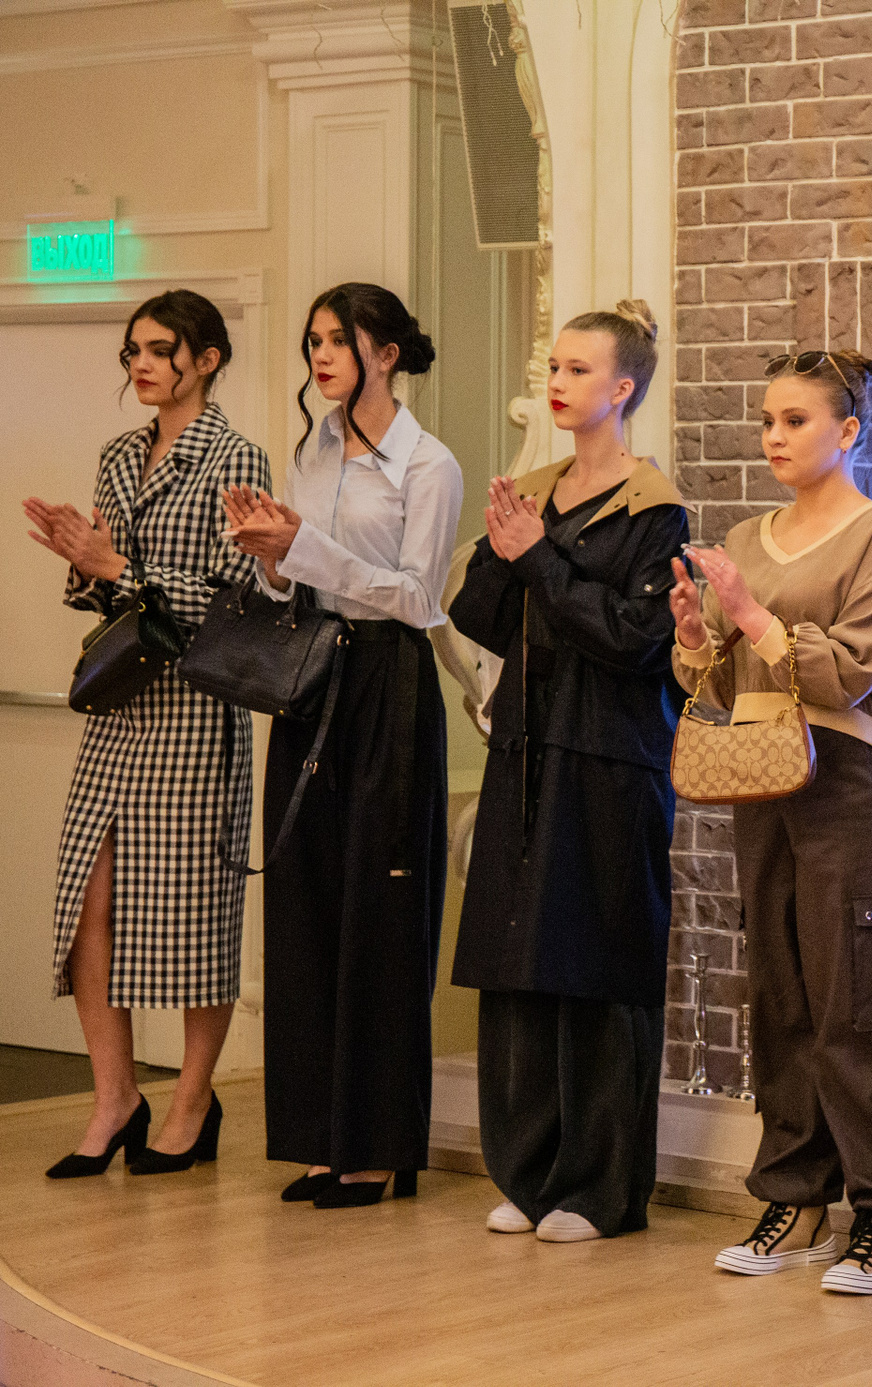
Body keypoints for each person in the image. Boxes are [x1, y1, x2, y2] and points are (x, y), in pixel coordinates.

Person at [667, 348, 872, 1296]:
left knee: (855, 995)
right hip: (760, 774)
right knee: (780, 992)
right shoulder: (746, 535)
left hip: (848, 780)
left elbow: (851, 673)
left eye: (796, 420)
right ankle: (797, 1198)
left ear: (848, 430)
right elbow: (718, 682)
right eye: (768, 421)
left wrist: (751, 615)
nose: (774, 437)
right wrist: (696, 636)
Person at [447, 301, 687, 1244]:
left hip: (610, 763)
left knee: (595, 967)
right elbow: (477, 615)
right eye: (553, 366)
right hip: (523, 749)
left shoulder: (655, 508)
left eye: (578, 370)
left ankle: (599, 1188)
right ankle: (528, 1171)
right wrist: (510, 552)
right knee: (519, 966)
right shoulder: (533, 492)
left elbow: (636, 639)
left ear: (622, 388)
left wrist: (539, 560)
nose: (557, 382)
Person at [224, 282, 461, 1209]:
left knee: (381, 910)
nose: (320, 356)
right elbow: (297, 585)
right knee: (307, 898)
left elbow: (419, 597)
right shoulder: (311, 448)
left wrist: (307, 547)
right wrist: (272, 556)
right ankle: (322, 1138)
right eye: (313, 341)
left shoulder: (427, 463)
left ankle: (379, 1146)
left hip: (387, 682)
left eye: (338, 340)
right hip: (311, 677)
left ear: (385, 354)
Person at [29, 290, 270, 1179]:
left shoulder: (235, 457)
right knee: (85, 903)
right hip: (119, 705)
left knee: (195, 911)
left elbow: (239, 600)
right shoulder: (118, 454)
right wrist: (84, 560)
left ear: (206, 359)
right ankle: (115, 1097)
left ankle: (192, 1100)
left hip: (196, 712)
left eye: (161, 350)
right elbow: (104, 593)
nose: (141, 364)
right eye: (133, 349)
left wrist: (120, 565)